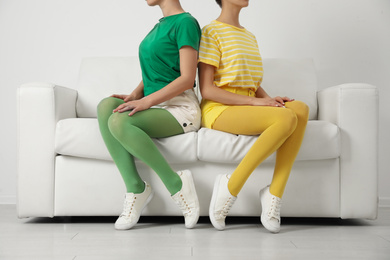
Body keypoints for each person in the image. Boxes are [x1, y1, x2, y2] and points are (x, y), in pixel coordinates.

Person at [198, 0, 309, 233]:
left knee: (299, 109)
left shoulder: (250, 36)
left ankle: (274, 193)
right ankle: (231, 186)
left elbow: (253, 84)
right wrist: (256, 102)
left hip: (248, 105)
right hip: (219, 108)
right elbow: (207, 90)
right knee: (286, 119)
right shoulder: (211, 31)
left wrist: (270, 100)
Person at [97, 0, 201, 230]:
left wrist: (146, 102)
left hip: (181, 108)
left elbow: (186, 77)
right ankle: (136, 188)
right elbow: (157, 71)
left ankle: (176, 184)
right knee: (107, 106)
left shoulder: (185, 23)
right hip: (158, 105)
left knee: (118, 121)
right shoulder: (158, 26)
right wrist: (135, 95)